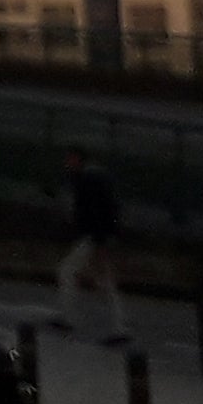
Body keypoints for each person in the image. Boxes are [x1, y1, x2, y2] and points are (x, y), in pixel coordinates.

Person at [55, 146, 127, 341]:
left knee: (68, 272)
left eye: (69, 159)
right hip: (97, 237)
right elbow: (108, 210)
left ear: (77, 159)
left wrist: (100, 242)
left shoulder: (87, 180)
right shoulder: (93, 178)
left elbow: (95, 212)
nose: (67, 163)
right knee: (102, 281)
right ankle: (117, 328)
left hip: (93, 237)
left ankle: (69, 318)